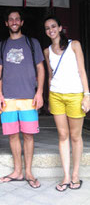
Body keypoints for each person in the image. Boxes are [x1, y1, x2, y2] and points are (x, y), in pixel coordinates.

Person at [0, 7, 45, 188]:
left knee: (29, 135)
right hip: (7, 98)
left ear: (21, 22)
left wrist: (39, 93)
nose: (14, 22)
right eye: (11, 19)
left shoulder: (32, 43)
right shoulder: (2, 46)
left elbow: (41, 69)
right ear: (6, 23)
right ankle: (17, 171)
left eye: (17, 19)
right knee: (13, 135)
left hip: (29, 98)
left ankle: (29, 172)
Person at [44, 17, 90, 192]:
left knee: (75, 136)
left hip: (75, 95)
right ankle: (66, 176)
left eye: (53, 26)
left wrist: (87, 95)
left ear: (60, 28)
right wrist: (49, 98)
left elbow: (82, 70)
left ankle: (76, 174)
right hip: (56, 95)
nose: (51, 30)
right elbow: (50, 76)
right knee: (63, 136)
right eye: (47, 28)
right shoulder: (46, 51)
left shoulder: (74, 45)